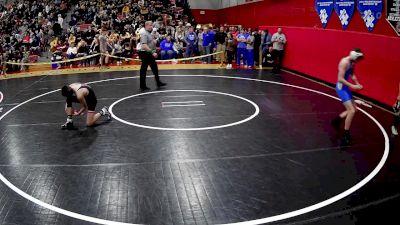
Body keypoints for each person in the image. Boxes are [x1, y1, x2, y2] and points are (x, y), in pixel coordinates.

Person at [331, 49, 364, 145]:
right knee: (352, 111)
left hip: (345, 88)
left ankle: (336, 121)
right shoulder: (344, 62)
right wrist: (353, 86)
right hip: (341, 88)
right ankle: (346, 134)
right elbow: (340, 79)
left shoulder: (352, 63)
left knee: (354, 109)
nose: (358, 61)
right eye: (358, 58)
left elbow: (352, 74)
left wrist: (358, 84)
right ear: (354, 56)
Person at [138, 21, 167, 91]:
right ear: (146, 26)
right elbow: (144, 46)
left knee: (154, 68)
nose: (152, 27)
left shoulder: (149, 33)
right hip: (145, 53)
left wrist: (154, 44)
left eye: (152, 25)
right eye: (150, 25)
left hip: (148, 53)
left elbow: (151, 43)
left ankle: (158, 82)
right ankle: (143, 85)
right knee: (144, 69)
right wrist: (152, 52)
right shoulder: (144, 33)